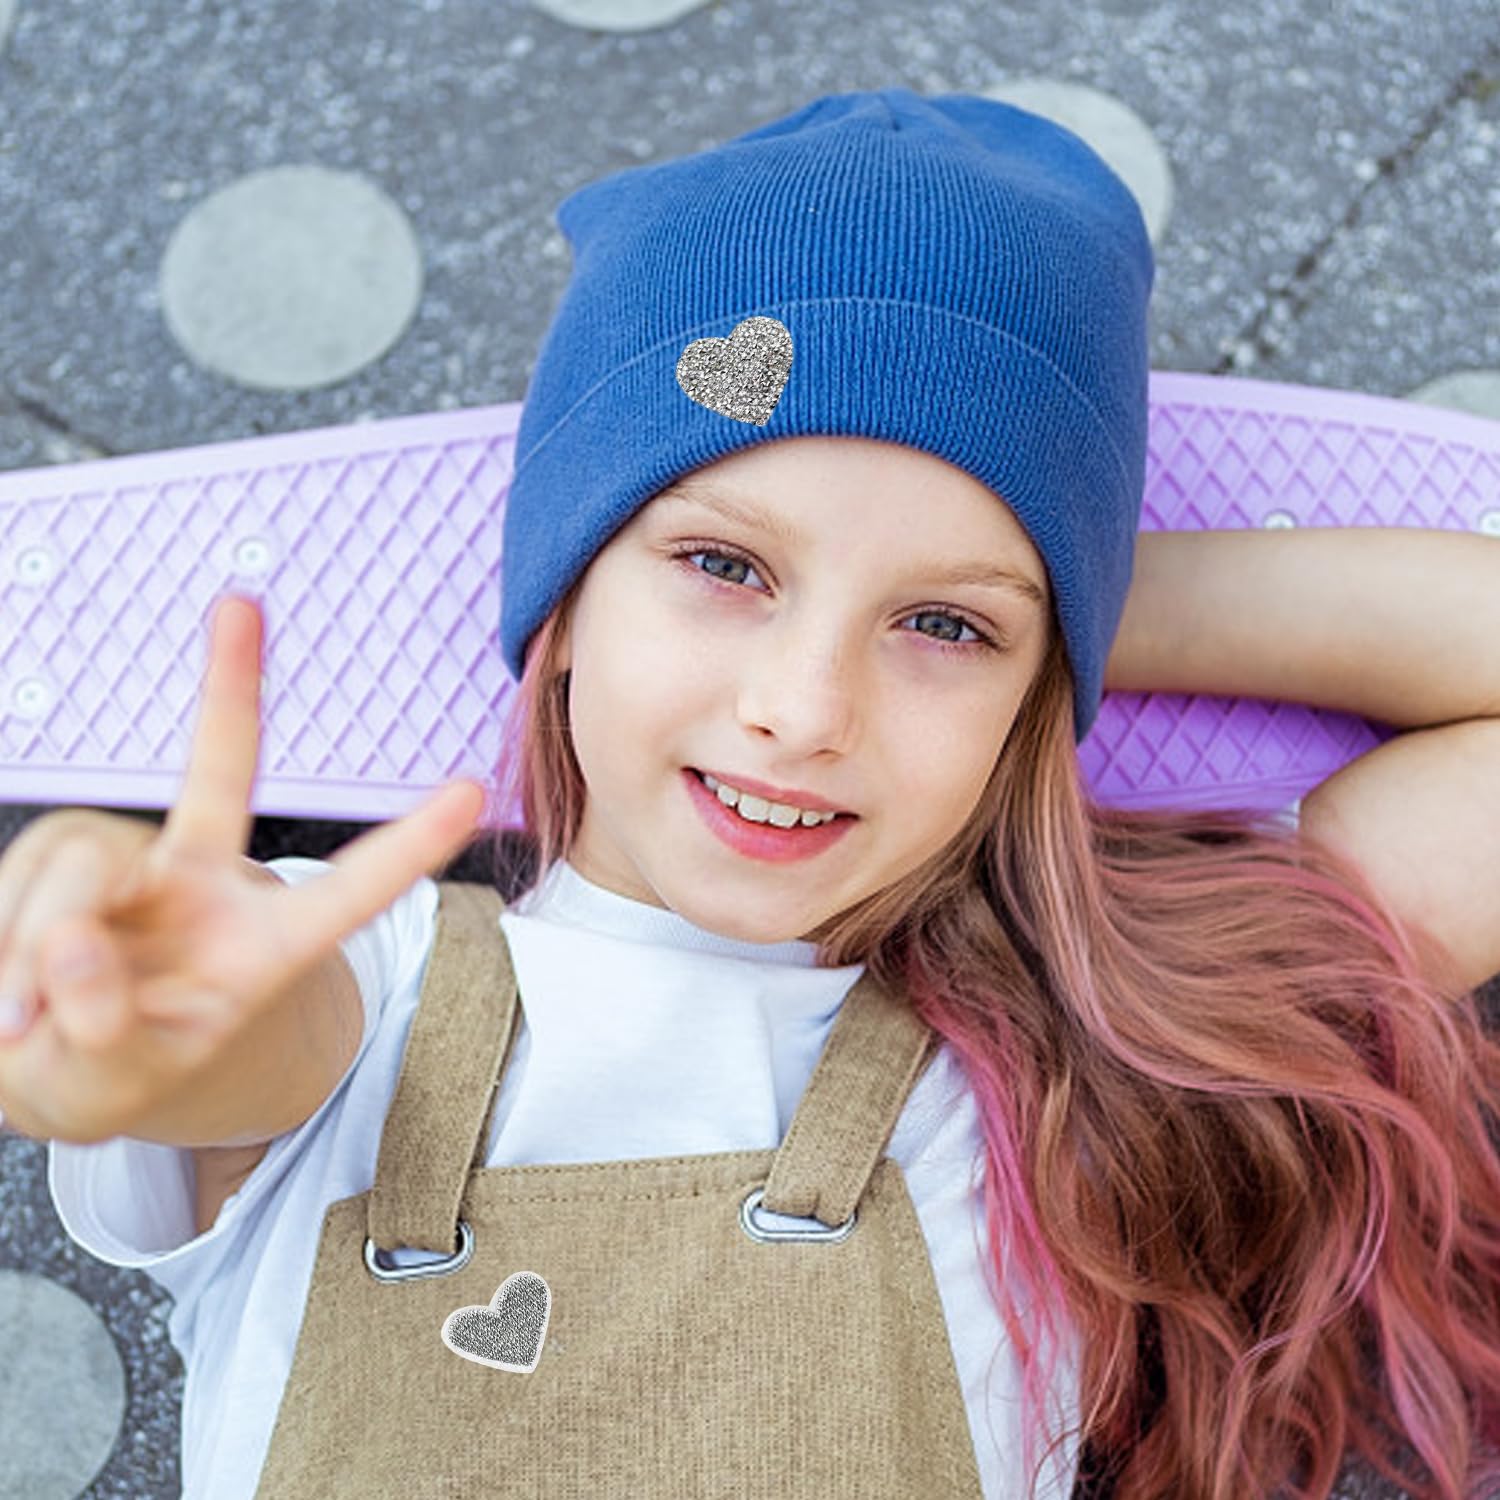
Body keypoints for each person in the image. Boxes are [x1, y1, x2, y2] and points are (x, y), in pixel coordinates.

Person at [7, 86, 1500, 1500]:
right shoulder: (355, 995)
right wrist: (137, 1013)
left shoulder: (1061, 1075)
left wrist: (1085, 599)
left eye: (941, 631)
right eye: (725, 566)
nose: (803, 709)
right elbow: (239, 1040)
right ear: (568, 596)